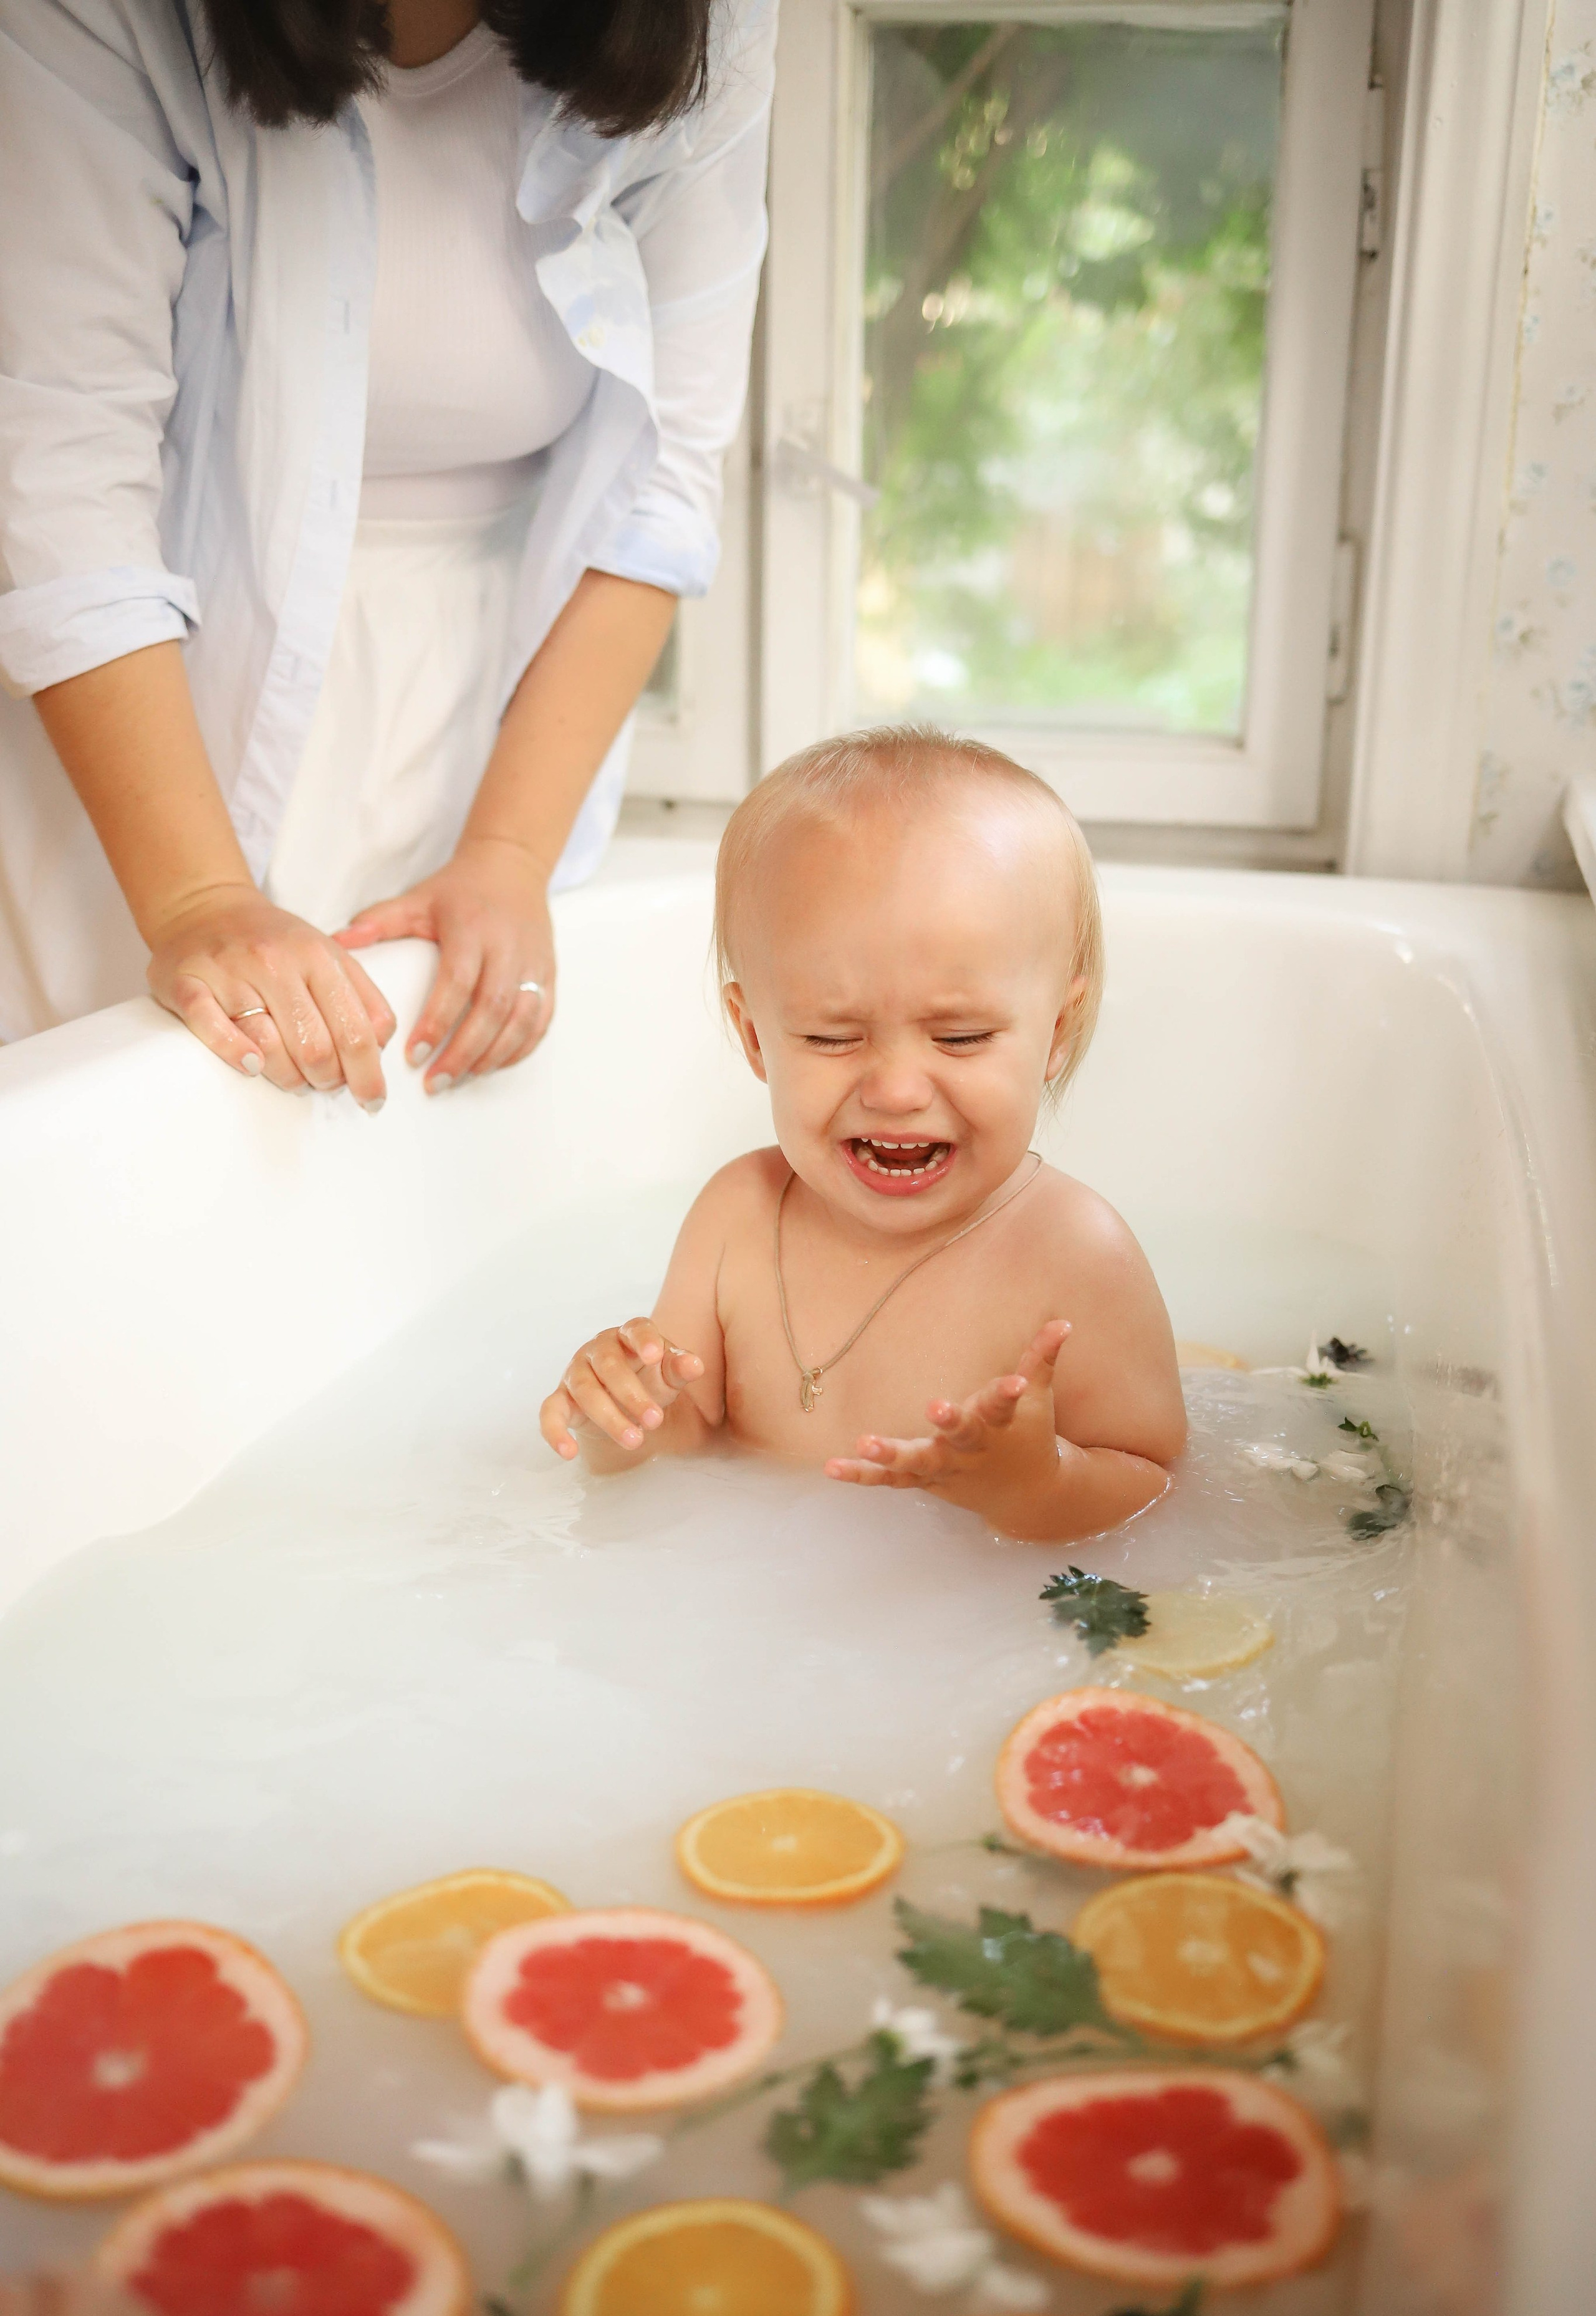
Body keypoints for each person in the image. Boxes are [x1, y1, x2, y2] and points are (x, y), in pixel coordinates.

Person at [0, 0, 774, 1107]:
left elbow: (666, 478)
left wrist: (508, 853)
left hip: (486, 739)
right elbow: (63, 470)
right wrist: (195, 900)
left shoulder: (723, 18)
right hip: (133, 746)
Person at [541, 725, 1187, 1542]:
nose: (895, 1090)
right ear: (753, 1037)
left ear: (1058, 1031)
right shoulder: (736, 1218)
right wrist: (616, 1420)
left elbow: (1160, 1484)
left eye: (959, 1038)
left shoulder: (1075, 1254)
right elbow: (681, 1443)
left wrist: (1037, 1488)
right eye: (830, 1037)